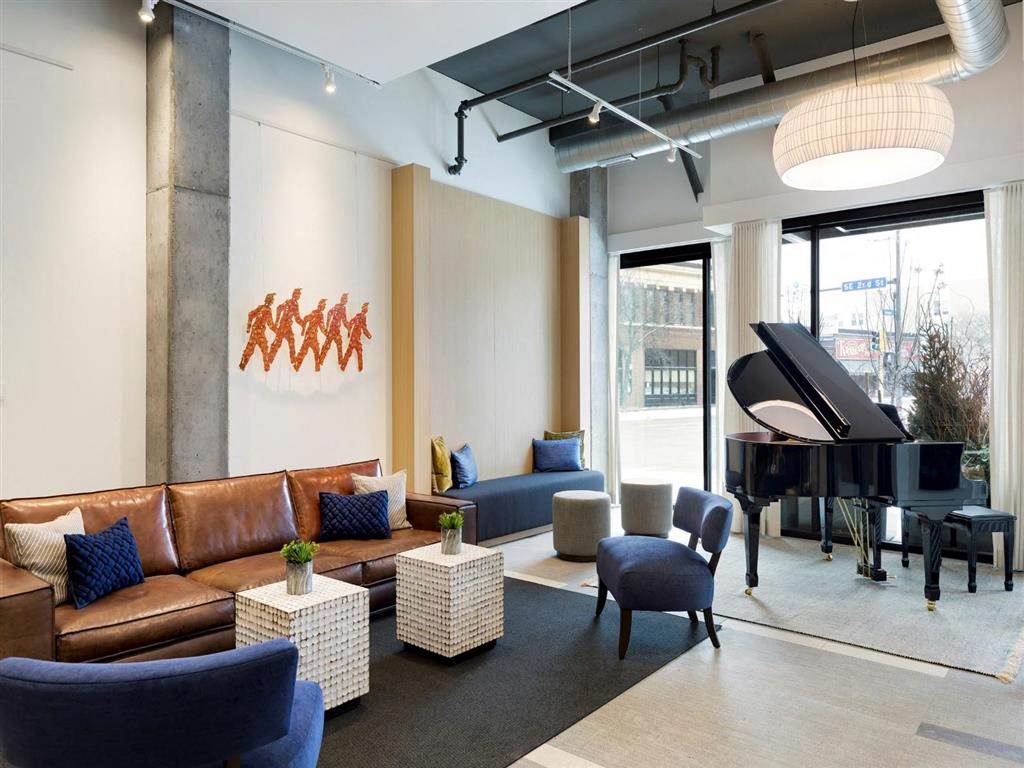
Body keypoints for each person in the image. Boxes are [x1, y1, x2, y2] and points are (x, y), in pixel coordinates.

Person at [239, 292, 276, 372]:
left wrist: (249, 327)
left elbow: (251, 315)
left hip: (257, 332)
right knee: (260, 348)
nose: (272, 302)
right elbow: (270, 325)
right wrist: (248, 327)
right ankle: (265, 367)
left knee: (252, 349)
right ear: (269, 301)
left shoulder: (263, 308)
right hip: (258, 332)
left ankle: (243, 365)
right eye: (272, 300)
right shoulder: (265, 309)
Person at [268, 288, 303, 369]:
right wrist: (277, 321)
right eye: (298, 294)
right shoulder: (288, 302)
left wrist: (303, 324)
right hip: (283, 326)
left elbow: (297, 318)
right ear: (295, 295)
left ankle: (293, 361)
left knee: (291, 340)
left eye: (299, 295)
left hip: (288, 327)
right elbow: (279, 308)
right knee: (277, 343)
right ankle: (269, 360)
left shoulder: (296, 305)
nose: (299, 296)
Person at [317, 292, 350, 371]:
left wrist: (349, 328)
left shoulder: (343, 308)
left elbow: (344, 320)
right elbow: (329, 313)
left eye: (346, 299)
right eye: (345, 299)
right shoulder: (337, 306)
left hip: (337, 331)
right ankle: (320, 360)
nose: (346, 301)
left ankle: (340, 361)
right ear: (342, 299)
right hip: (332, 330)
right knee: (326, 345)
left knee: (339, 344)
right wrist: (327, 327)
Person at [293, 298, 328, 372]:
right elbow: (321, 327)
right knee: (315, 351)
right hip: (312, 336)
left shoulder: (315, 313)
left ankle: (297, 366)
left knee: (304, 351)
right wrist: (327, 334)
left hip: (309, 335)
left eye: (325, 305)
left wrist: (303, 330)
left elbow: (306, 319)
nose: (325, 307)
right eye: (324, 305)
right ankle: (317, 368)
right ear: (321, 306)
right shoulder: (318, 314)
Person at [341, 302, 372, 373]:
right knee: (354, 351)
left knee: (353, 351)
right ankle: (357, 368)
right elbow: (363, 327)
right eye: (366, 308)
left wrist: (349, 332)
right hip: (355, 337)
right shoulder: (361, 316)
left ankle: (344, 367)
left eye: (367, 308)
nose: (367, 309)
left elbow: (353, 323)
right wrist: (369, 335)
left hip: (356, 337)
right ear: (363, 308)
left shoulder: (361, 316)